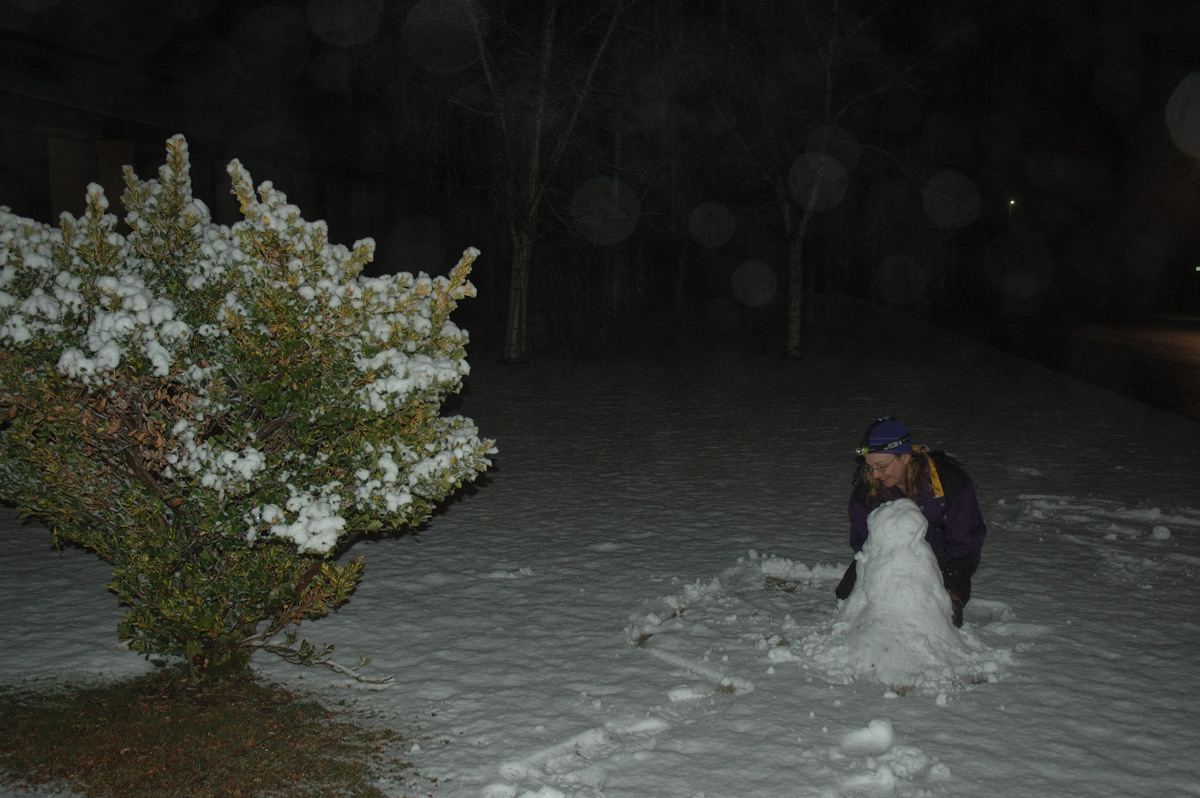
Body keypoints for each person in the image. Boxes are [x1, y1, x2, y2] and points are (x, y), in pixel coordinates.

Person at [834, 417, 987, 627]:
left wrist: (953, 588)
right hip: (887, 560)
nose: (876, 474)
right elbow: (862, 542)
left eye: (882, 466)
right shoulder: (867, 490)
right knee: (846, 597)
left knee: (931, 616)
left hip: (938, 563)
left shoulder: (950, 483)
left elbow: (965, 542)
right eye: (870, 467)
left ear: (904, 457)